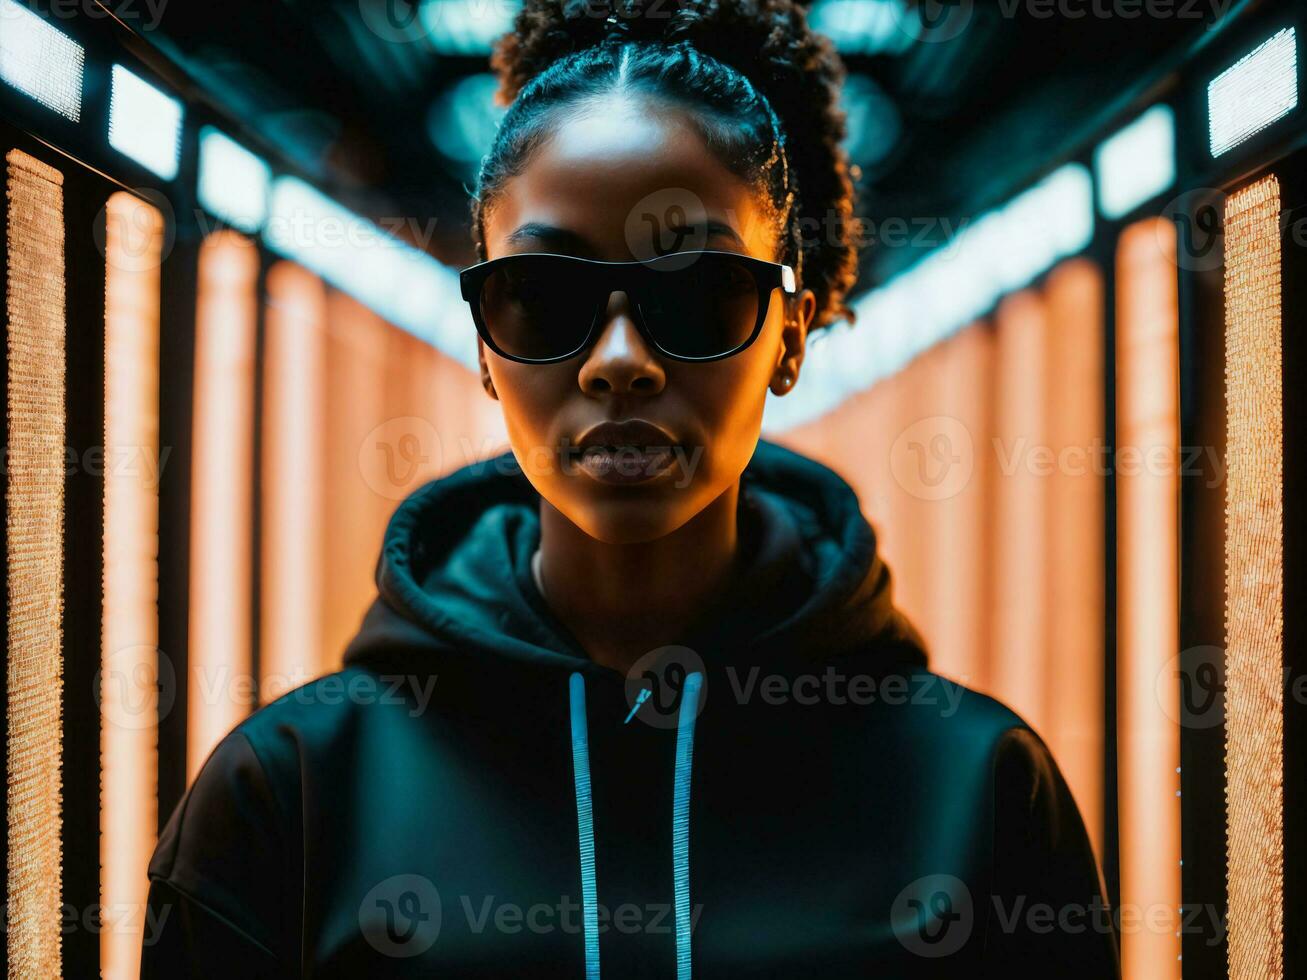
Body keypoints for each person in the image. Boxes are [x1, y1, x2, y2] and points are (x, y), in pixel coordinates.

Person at [141, 0, 1122, 975]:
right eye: (542, 296)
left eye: (694, 290)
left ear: (792, 331)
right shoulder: (290, 794)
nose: (618, 360)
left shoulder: (979, 792)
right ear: (484, 347)